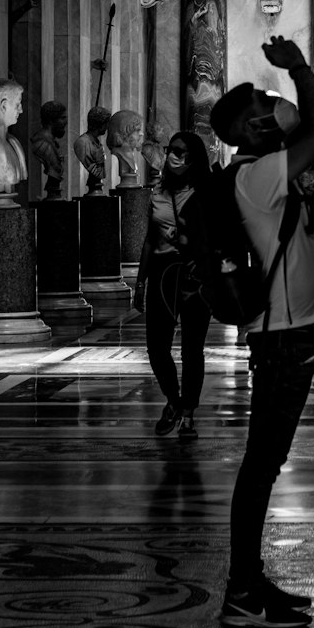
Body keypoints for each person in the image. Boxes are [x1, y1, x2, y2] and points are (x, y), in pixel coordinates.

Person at [208, 36, 314, 628]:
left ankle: (251, 581)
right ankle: (241, 592)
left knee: (266, 462)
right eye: (266, 99)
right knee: (262, 465)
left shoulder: (261, 172)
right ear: (254, 127)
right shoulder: (257, 175)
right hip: (282, 336)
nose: (275, 100)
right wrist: (300, 69)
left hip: (291, 334)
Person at [133, 132, 213, 441]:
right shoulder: (159, 191)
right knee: (156, 346)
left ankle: (188, 413)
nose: (174, 156)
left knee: (192, 349)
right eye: (171, 151)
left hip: (195, 275)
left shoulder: (205, 191)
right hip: (163, 274)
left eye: (182, 152)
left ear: (193, 158)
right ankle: (174, 401)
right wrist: (140, 282)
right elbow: (151, 239)